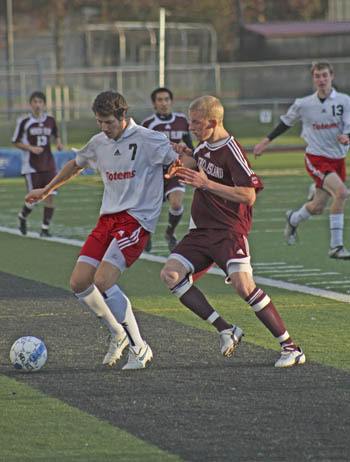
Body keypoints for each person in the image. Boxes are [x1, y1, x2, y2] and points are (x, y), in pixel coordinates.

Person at [25, 91, 178, 370]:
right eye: (99, 122)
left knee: (104, 280)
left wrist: (191, 170)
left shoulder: (148, 138)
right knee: (79, 282)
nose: (103, 128)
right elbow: (75, 165)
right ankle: (117, 333)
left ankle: (139, 347)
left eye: (108, 122)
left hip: (136, 219)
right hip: (108, 219)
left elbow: (178, 158)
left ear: (123, 116)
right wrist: (47, 189)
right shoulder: (99, 142)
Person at [160, 95, 305, 368]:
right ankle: (226, 329)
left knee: (243, 286)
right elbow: (197, 165)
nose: (191, 127)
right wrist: (182, 156)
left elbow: (248, 195)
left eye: (196, 122)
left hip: (228, 230)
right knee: (170, 274)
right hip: (201, 231)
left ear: (213, 122)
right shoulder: (204, 145)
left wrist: (206, 184)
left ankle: (291, 347)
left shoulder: (231, 149)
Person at [254, 61, 350, 259]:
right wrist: (265, 141)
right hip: (316, 158)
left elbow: (348, 126)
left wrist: (347, 136)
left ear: (332, 76)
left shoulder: (344, 101)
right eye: (317, 76)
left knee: (317, 207)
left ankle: (293, 219)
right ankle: (336, 246)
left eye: (325, 75)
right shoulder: (304, 103)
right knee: (341, 193)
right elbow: (285, 122)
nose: (321, 80)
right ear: (313, 79)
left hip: (338, 159)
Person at [142, 87, 193, 252]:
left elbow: (190, 146)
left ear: (171, 101)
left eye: (166, 99)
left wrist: (191, 157)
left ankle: (170, 233)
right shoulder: (148, 124)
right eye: (160, 100)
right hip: (154, 172)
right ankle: (146, 234)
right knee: (150, 209)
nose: (163, 103)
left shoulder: (182, 120)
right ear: (154, 104)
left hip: (175, 169)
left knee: (177, 204)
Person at [12, 91, 64, 237]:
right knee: (33, 199)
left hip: (49, 163)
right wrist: (31, 148)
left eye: (40, 102)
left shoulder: (51, 120)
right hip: (32, 165)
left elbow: (56, 134)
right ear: (30, 104)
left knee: (50, 195)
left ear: (44, 104)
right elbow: (16, 141)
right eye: (35, 102)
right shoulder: (24, 121)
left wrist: (58, 143)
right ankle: (22, 216)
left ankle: (45, 229)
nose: (37, 104)